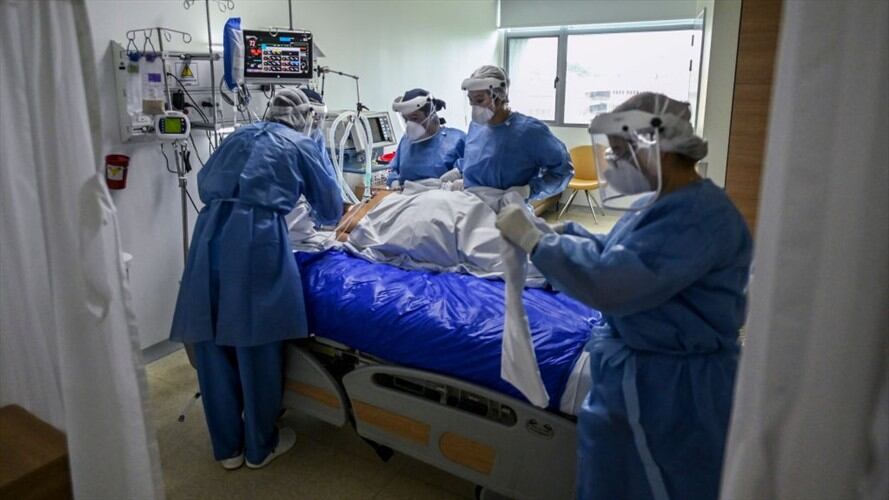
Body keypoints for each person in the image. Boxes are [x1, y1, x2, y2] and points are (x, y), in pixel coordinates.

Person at [496, 92, 753, 500]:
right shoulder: (661, 204)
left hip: (669, 389)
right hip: (644, 373)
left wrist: (535, 242)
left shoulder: (699, 215)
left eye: (619, 152)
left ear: (658, 149)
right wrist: (559, 233)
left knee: (655, 483)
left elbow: (613, 282)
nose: (613, 164)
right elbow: (617, 252)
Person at [169, 88, 342, 471]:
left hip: (209, 232)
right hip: (255, 238)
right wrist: (314, 151)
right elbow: (331, 210)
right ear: (307, 117)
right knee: (255, 341)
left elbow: (206, 181)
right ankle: (260, 446)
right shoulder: (300, 143)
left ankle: (227, 449)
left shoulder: (239, 135)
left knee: (211, 338)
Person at [454, 65, 573, 200]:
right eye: (471, 100)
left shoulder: (529, 131)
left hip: (508, 209)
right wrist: (458, 171)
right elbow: (477, 160)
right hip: (472, 204)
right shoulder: (476, 126)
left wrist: (529, 190)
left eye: (480, 100)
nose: (474, 107)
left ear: (498, 96)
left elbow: (563, 170)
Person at [386, 88, 465, 188]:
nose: (410, 124)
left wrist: (459, 171)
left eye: (414, 118)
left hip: (442, 198)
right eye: (406, 119)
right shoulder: (406, 141)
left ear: (431, 115)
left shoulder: (456, 139)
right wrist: (394, 181)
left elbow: (475, 165)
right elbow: (393, 169)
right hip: (407, 197)